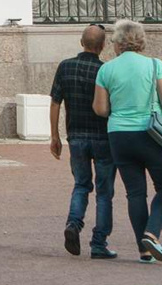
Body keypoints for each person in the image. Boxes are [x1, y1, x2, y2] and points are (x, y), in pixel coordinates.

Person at [92, 17, 162, 264]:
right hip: (152, 134)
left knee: (135, 194)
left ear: (117, 42)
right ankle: (152, 233)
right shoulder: (155, 65)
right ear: (140, 41)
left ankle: (144, 251)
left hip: (119, 136)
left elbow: (100, 109)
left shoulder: (106, 69)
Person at [47, 24, 117, 259]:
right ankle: (99, 243)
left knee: (81, 185)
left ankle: (73, 224)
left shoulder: (65, 66)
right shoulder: (105, 70)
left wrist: (55, 136)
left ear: (81, 42)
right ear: (103, 46)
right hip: (103, 137)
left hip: (76, 136)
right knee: (104, 192)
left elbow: (55, 102)